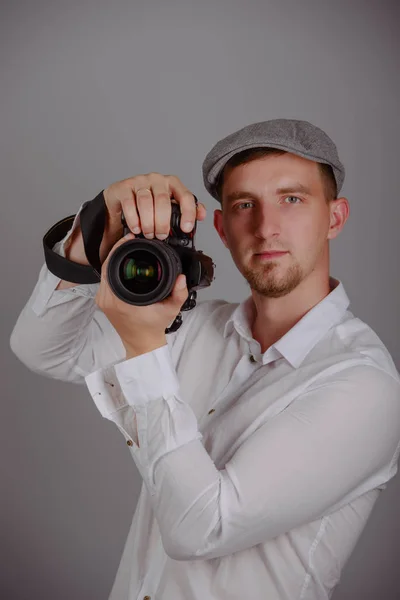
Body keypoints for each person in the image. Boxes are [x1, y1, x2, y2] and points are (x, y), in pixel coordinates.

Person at [10, 119, 400, 600]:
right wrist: (92, 230)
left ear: (335, 218)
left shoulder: (363, 384)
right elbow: (42, 349)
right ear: (221, 226)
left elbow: (200, 528)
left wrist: (145, 349)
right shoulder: (187, 325)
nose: (266, 226)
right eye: (243, 206)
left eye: (292, 199)